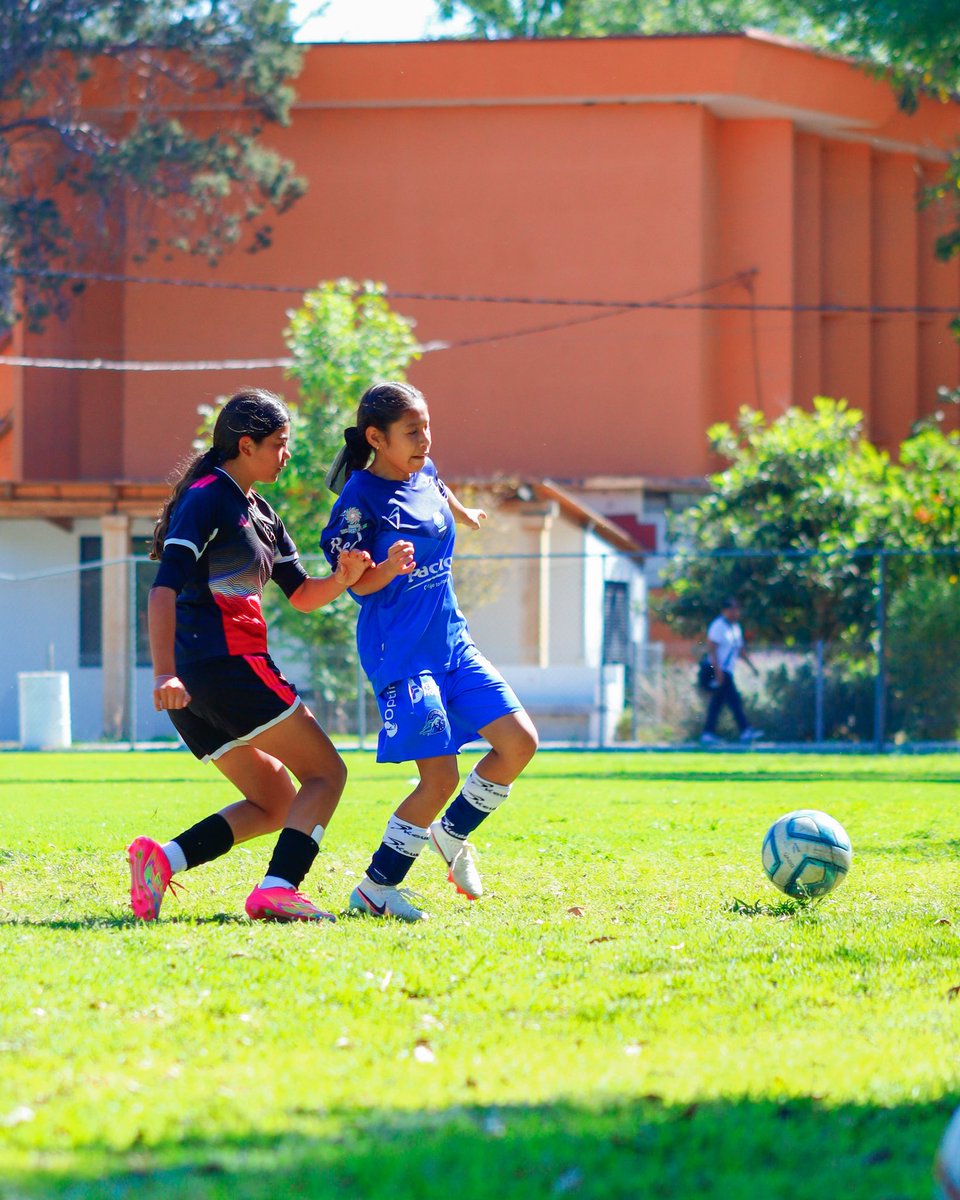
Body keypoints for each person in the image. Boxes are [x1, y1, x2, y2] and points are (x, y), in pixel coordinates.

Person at [127, 388, 372, 923]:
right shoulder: (208, 497)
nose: (287, 455)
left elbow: (304, 595)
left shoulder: (260, 512)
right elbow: (162, 587)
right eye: (280, 444)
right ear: (247, 443)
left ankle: (161, 861)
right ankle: (279, 888)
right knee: (326, 774)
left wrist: (344, 579)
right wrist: (163, 671)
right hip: (224, 668)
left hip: (198, 683)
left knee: (276, 801)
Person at [320, 381, 539, 922]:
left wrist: (465, 515)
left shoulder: (426, 470)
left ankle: (451, 833)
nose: (424, 439)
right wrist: (387, 568)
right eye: (412, 431)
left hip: (452, 641)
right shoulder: (357, 504)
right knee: (439, 778)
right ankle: (376, 888)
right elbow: (354, 585)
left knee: (518, 744)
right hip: (401, 656)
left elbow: (438, 490)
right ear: (376, 437)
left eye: (427, 427)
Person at [700, 596, 763, 745]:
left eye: (737, 609)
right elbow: (712, 649)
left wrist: (752, 666)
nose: (736, 612)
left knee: (718, 702)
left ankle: (708, 733)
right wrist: (717, 672)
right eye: (732, 609)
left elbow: (740, 650)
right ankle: (745, 730)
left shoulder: (735, 628)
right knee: (734, 700)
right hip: (717, 670)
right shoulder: (718, 626)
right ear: (725, 610)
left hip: (727, 670)